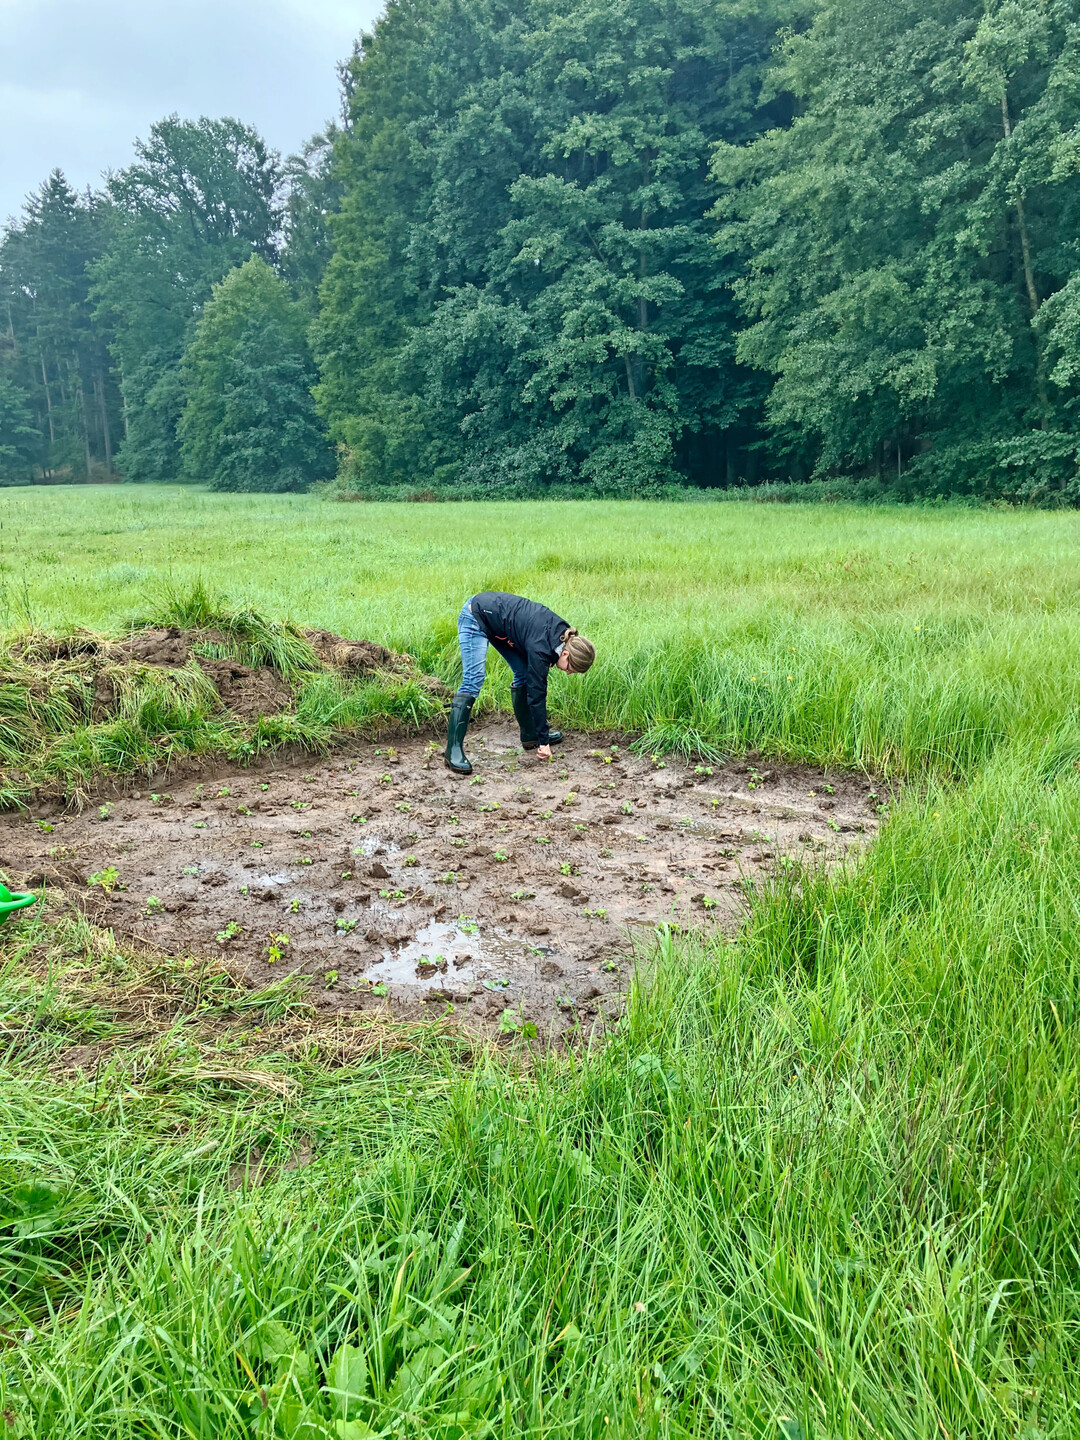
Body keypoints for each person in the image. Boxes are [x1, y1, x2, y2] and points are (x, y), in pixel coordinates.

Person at [445, 591, 596, 775]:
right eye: (570, 669)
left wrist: (541, 736)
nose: (568, 673)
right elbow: (536, 695)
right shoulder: (542, 649)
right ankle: (452, 751)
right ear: (566, 654)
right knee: (473, 679)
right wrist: (544, 743)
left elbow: (532, 640)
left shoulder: (563, 634)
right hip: (475, 616)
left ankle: (530, 735)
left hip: (498, 623)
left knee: (524, 673)